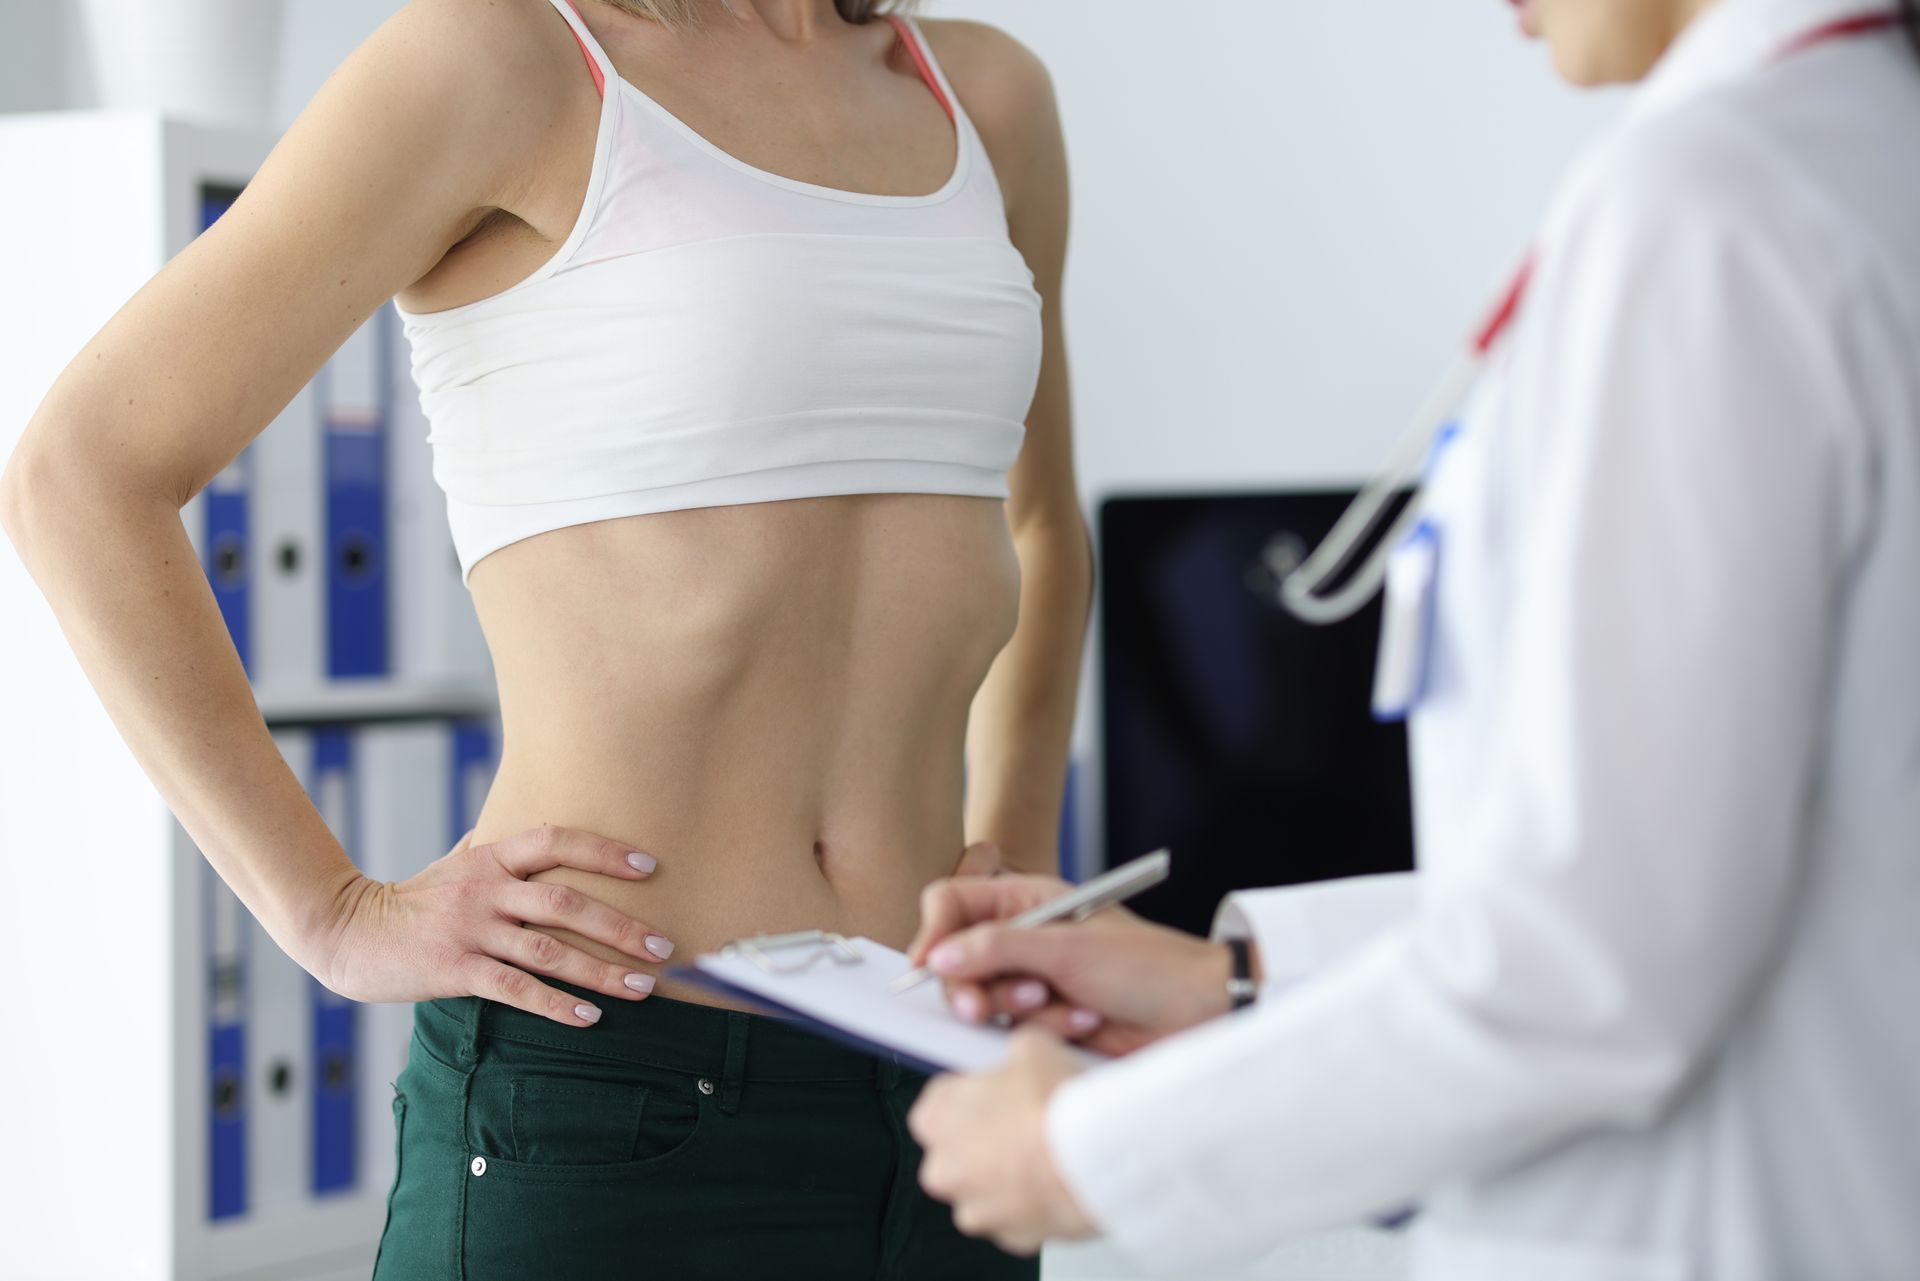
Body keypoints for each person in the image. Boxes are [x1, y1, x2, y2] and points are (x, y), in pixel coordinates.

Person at [0, 0, 1084, 1276]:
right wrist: (334, 915)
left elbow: (1040, 524)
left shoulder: (984, 95)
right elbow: (81, 472)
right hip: (607, 1079)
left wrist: (1019, 858)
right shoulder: (503, 58)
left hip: (940, 1080)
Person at [899, 0, 1920, 1276]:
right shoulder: (1860, 150)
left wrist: (1087, 1152)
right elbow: (1711, 876)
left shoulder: (1710, 207)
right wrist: (1243, 977)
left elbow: (1592, 970)